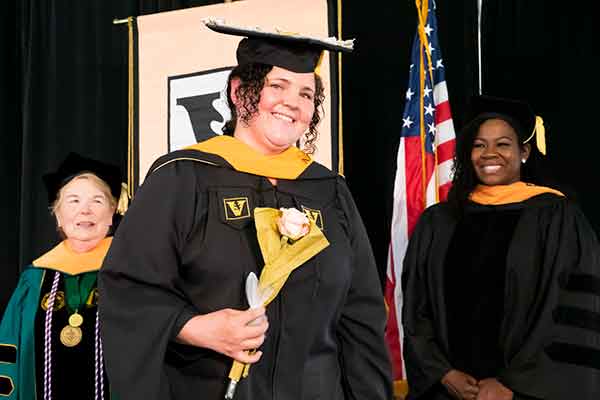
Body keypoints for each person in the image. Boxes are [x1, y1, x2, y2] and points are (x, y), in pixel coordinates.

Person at [99, 19, 393, 400]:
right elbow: (128, 289)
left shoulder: (328, 190)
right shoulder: (182, 178)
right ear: (240, 92)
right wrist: (195, 327)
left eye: (307, 93)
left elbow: (362, 319)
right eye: (278, 86)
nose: (293, 102)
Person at [401, 95, 600, 400]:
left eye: (503, 144)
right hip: (449, 392)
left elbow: (572, 310)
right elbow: (417, 307)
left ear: (524, 152)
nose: (489, 154)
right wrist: (441, 372)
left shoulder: (556, 217)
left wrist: (515, 383)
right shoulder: (439, 221)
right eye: (479, 145)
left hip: (525, 392)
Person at [0, 152, 127, 400]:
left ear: (113, 212)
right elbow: (8, 351)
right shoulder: (34, 279)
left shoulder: (130, 275)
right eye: (73, 201)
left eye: (97, 201)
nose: (85, 211)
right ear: (58, 214)